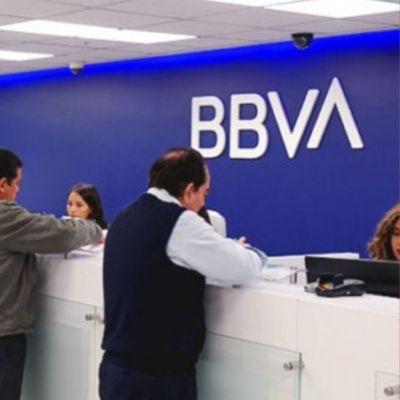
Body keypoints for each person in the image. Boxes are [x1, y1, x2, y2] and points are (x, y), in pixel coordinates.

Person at [100, 147, 266, 400]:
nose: (203, 203)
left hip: (117, 370)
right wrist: (250, 252)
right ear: (189, 190)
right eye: (204, 193)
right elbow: (243, 268)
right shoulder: (179, 222)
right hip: (156, 379)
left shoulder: (124, 216)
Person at [0, 148, 102, 400]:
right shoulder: (5, 216)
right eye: (16, 184)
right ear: (3, 184)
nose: (17, 191)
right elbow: (61, 234)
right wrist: (94, 230)